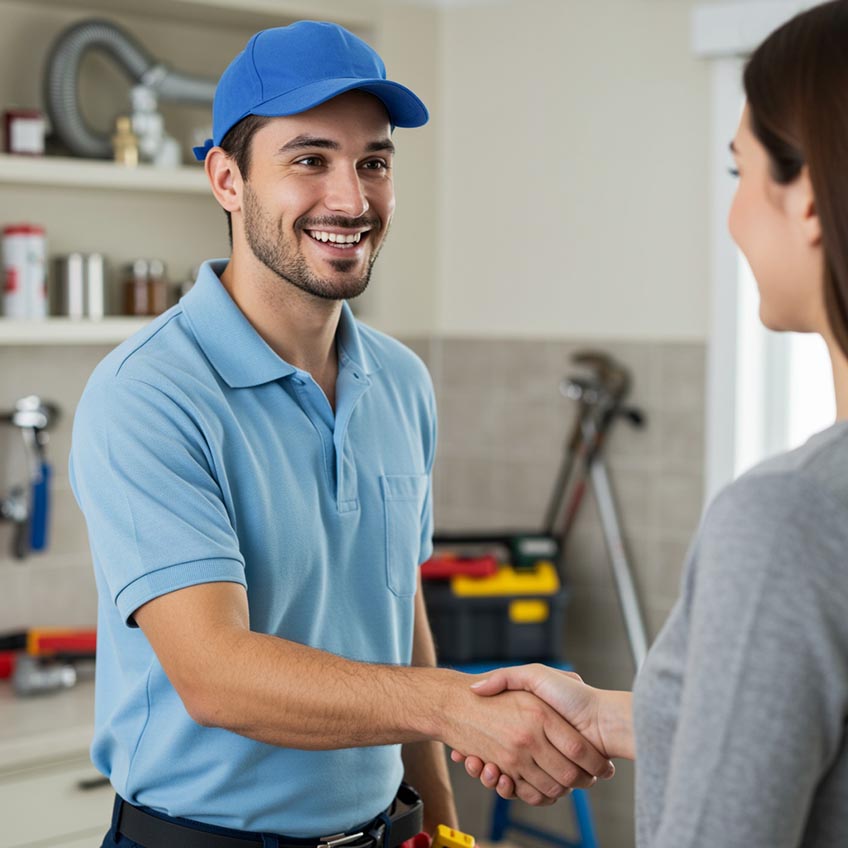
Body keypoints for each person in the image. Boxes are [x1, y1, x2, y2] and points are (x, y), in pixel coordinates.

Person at [70, 21, 615, 848]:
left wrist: (440, 818)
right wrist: (454, 710)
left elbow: (401, 613)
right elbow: (216, 675)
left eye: (374, 162)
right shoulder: (149, 393)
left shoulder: (400, 381)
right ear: (226, 178)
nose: (352, 200)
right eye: (310, 160)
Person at [452, 2, 848, 846]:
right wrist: (606, 717)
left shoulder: (788, 519)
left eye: (739, 174)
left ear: (808, 198)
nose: (735, 216)